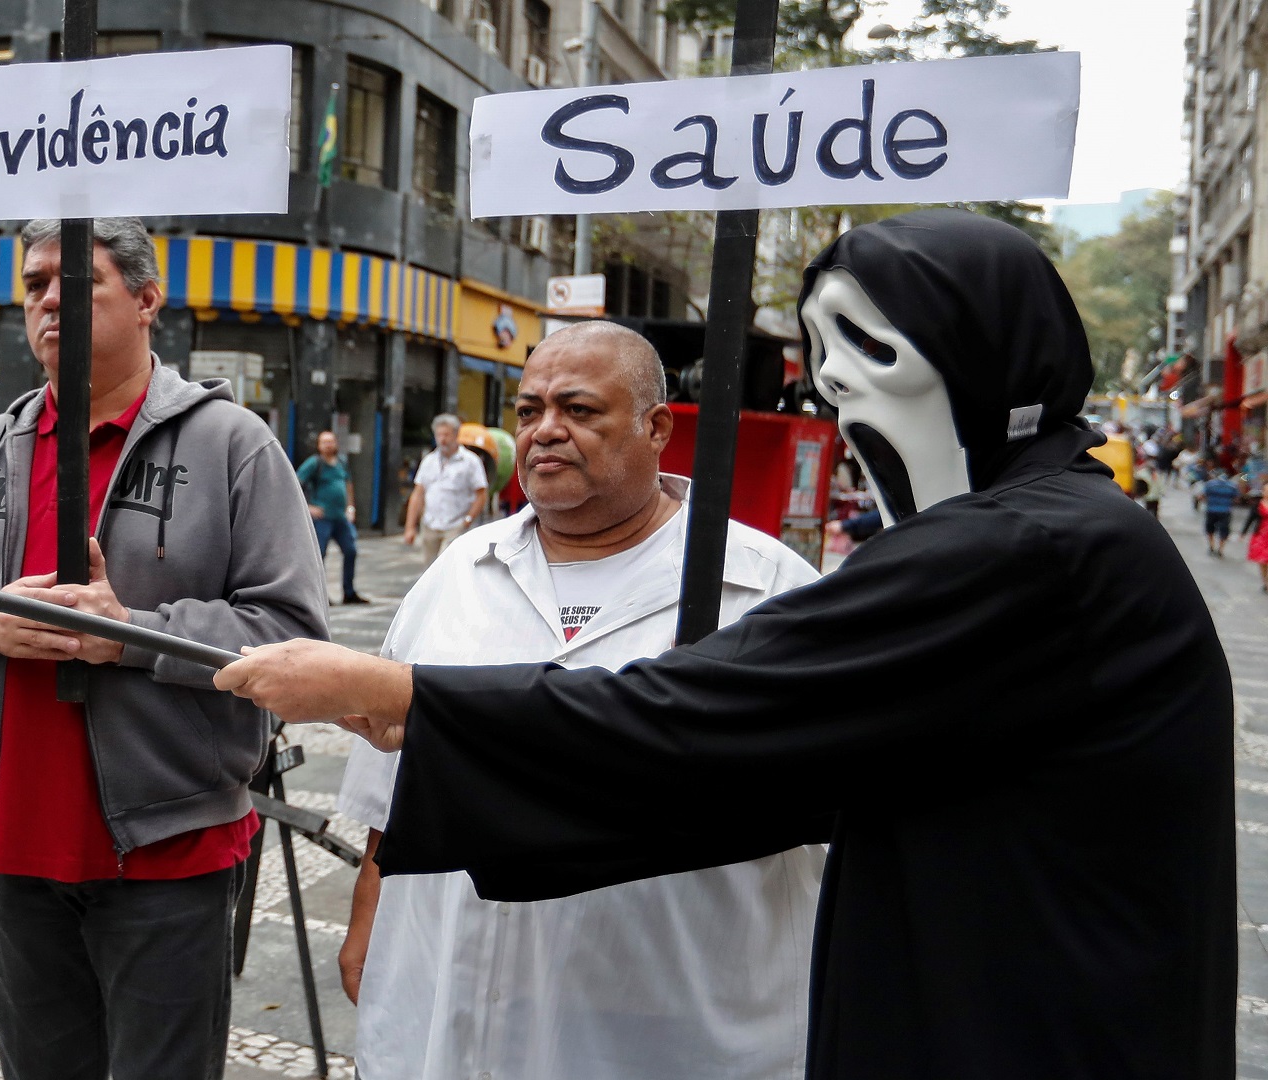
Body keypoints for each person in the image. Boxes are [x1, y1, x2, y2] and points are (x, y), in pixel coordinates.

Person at [216, 210, 1235, 1080]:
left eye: (872, 348)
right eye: (824, 357)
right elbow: (747, 770)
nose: (841, 391)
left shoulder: (1029, 548)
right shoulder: (1046, 536)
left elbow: (707, 718)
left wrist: (408, 700)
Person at [0, 216, 328, 1080]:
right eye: (34, 285)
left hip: (171, 851)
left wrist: (129, 637)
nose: (49, 301)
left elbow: (294, 638)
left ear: (148, 299)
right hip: (9, 850)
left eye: (74, 282)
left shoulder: (233, 445)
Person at [338, 321, 823, 1080]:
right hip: (450, 1004)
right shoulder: (460, 571)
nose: (545, 432)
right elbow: (389, 785)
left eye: (580, 409)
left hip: (672, 1018)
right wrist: (368, 910)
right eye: (528, 411)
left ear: (655, 426)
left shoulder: (769, 591)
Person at [402, 413, 487, 565]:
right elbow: (418, 494)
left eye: (446, 435)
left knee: (446, 566)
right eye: (439, 435)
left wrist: (468, 520)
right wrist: (410, 527)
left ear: (455, 435)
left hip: (456, 525)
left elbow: (481, 494)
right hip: (430, 524)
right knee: (429, 571)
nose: (442, 439)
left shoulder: (470, 461)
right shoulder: (429, 461)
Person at [298, 430, 367, 605]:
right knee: (319, 555)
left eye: (331, 442)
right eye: (324, 442)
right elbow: (295, 483)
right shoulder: (314, 463)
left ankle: (349, 592)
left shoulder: (342, 462)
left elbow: (348, 484)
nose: (328, 445)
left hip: (340, 518)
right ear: (319, 446)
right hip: (322, 518)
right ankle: (319, 596)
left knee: (351, 550)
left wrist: (350, 507)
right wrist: (308, 507)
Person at [1202, 468, 1239, 556]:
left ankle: (1211, 545)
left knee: (1210, 528)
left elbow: (1203, 496)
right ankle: (1221, 549)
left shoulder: (1209, 485)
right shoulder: (1232, 486)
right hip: (1225, 511)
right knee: (1224, 530)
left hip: (1211, 509)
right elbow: (1236, 499)